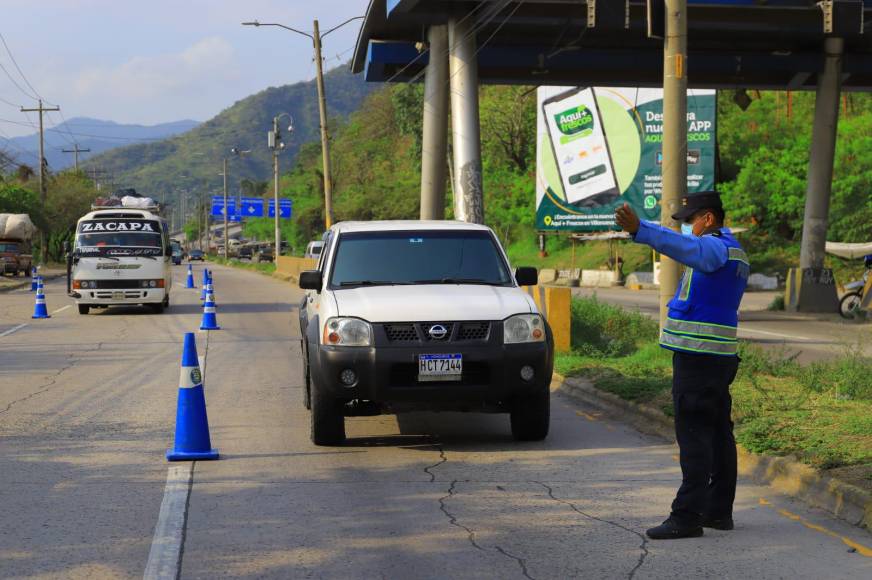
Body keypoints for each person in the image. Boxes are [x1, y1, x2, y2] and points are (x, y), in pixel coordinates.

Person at [615, 191, 749, 540]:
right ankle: (718, 512)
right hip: (718, 358)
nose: (688, 227)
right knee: (719, 435)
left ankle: (686, 516)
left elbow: (685, 248)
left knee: (694, 438)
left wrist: (640, 229)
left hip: (699, 358)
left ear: (708, 218)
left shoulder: (715, 247)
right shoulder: (735, 251)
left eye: (691, 220)